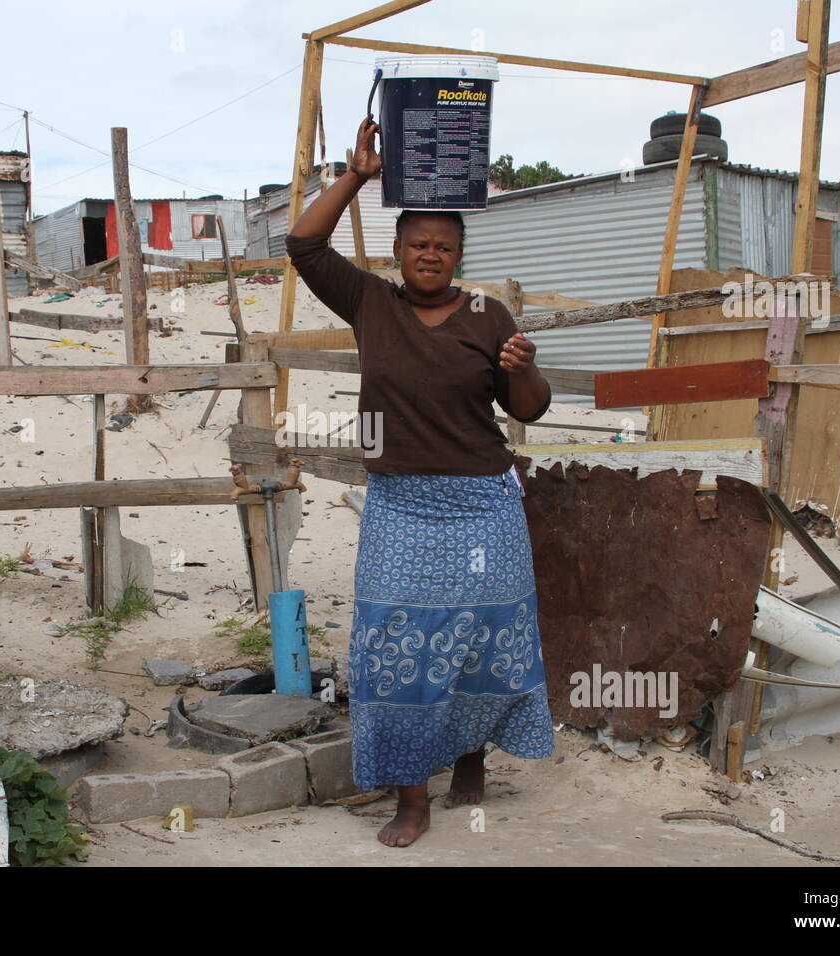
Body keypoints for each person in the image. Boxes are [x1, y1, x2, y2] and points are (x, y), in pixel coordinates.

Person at [285, 117, 556, 847]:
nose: (429, 254)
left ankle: (470, 757)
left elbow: (529, 408)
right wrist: (356, 177)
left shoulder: (486, 314)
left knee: (479, 642)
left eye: (443, 246)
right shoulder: (372, 302)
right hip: (403, 505)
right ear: (399, 250)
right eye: (417, 244)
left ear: (459, 255)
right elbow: (302, 244)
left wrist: (522, 366)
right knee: (393, 650)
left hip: (483, 505)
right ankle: (413, 797)